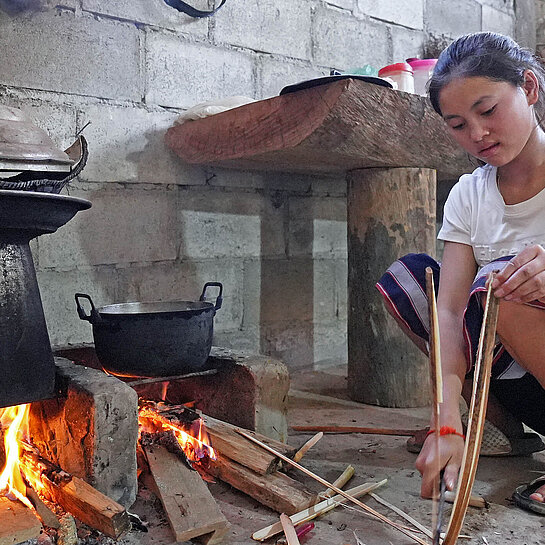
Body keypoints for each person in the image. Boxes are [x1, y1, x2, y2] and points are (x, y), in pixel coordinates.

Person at [376, 32, 545, 515]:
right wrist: (446, 419)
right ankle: (491, 420)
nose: (477, 134)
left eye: (487, 110)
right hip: (526, 382)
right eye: (457, 124)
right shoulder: (470, 195)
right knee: (414, 281)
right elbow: (447, 312)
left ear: (529, 88)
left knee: (504, 284)